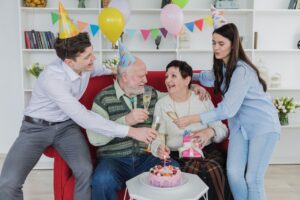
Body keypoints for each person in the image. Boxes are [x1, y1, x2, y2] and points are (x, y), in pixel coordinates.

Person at [0, 3, 156, 200]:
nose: (94, 59)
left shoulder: (85, 66)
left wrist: (117, 71)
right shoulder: (53, 80)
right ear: (69, 62)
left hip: (66, 127)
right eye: (88, 57)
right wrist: (131, 130)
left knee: (84, 170)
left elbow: (100, 69)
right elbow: (85, 118)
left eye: (92, 53)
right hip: (35, 128)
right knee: (8, 183)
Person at [174, 6, 281, 200]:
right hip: (240, 129)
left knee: (253, 178)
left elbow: (227, 109)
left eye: (221, 43)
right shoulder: (221, 69)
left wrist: (192, 118)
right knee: (233, 174)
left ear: (233, 44)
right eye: (213, 43)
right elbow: (202, 77)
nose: (216, 47)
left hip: (263, 126)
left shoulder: (243, 71)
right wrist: (186, 80)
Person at [86, 43, 179, 200]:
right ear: (124, 77)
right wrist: (126, 120)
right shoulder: (103, 98)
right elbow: (95, 139)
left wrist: (195, 88)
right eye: (141, 76)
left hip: (147, 157)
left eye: (146, 75)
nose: (146, 80)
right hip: (114, 159)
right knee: (102, 180)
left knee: (174, 170)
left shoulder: (150, 92)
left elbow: (175, 97)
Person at [151, 60, 233, 200]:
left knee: (214, 171)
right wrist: (158, 147)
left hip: (206, 151)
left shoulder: (202, 99)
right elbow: (156, 134)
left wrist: (209, 132)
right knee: (191, 175)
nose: (168, 80)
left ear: (187, 80)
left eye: (173, 76)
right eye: (166, 76)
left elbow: (222, 129)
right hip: (178, 154)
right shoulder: (161, 105)